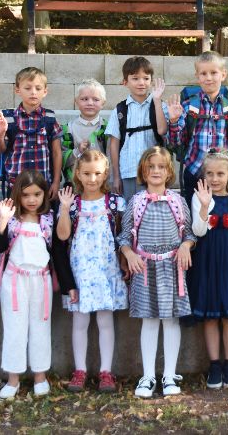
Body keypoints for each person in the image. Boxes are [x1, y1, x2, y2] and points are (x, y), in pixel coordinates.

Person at [117, 147, 196, 398]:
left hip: (172, 269)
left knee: (171, 321)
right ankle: (148, 376)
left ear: (169, 171)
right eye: (151, 167)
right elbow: (124, 235)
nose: (156, 171)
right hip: (144, 268)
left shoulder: (178, 201)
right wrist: (129, 254)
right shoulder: (136, 202)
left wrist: (185, 246)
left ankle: (169, 375)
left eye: (161, 167)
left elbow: (189, 233)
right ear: (143, 171)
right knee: (149, 321)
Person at [57, 150, 127, 393]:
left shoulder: (115, 203)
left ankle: (106, 371)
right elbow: (63, 235)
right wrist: (64, 208)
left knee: (105, 320)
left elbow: (122, 235)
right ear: (78, 173)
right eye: (86, 173)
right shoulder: (73, 203)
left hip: (107, 270)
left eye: (97, 173)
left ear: (105, 173)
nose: (92, 179)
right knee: (80, 321)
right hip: (81, 272)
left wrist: (124, 261)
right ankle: (80, 370)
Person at [188, 149, 228, 389]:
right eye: (209, 174)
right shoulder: (199, 199)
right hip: (207, 263)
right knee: (210, 315)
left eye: (220, 174)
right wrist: (205, 206)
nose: (214, 179)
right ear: (204, 175)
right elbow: (198, 231)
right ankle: (214, 364)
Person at [0, 170, 56, 398]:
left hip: (41, 281)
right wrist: (2, 220)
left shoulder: (48, 220)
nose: (31, 200)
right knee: (14, 328)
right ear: (18, 195)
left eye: (37, 194)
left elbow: (57, 250)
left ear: (44, 194)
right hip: (14, 281)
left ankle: (40, 376)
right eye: (26, 195)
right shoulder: (12, 219)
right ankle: (13, 379)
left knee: (41, 327)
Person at [166, 51, 228, 206]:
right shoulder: (188, 106)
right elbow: (175, 143)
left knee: (221, 214)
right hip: (194, 172)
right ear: (197, 77)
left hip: (222, 177)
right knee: (195, 215)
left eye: (213, 73)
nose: (208, 78)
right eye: (203, 73)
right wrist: (173, 122)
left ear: (223, 74)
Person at [106, 56, 169, 204]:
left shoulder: (159, 105)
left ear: (151, 81)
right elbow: (114, 144)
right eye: (135, 78)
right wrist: (116, 176)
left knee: (152, 209)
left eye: (146, 78)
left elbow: (162, 130)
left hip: (154, 172)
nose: (141, 83)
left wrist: (157, 100)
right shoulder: (120, 110)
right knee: (130, 209)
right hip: (128, 171)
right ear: (125, 82)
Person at [0, 67, 63, 199]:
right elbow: (0, 149)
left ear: (45, 91)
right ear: (17, 90)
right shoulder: (8, 118)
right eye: (27, 88)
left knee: (44, 213)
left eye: (38, 88)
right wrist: (0, 134)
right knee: (15, 213)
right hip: (16, 185)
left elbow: (56, 152)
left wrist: (56, 182)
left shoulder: (49, 117)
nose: (33, 92)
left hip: (42, 186)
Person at [60, 80, 108, 187]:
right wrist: (78, 151)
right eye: (84, 99)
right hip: (75, 185)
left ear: (103, 103)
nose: (90, 103)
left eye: (96, 99)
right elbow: (61, 160)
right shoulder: (67, 129)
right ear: (76, 101)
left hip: (102, 185)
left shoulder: (107, 128)